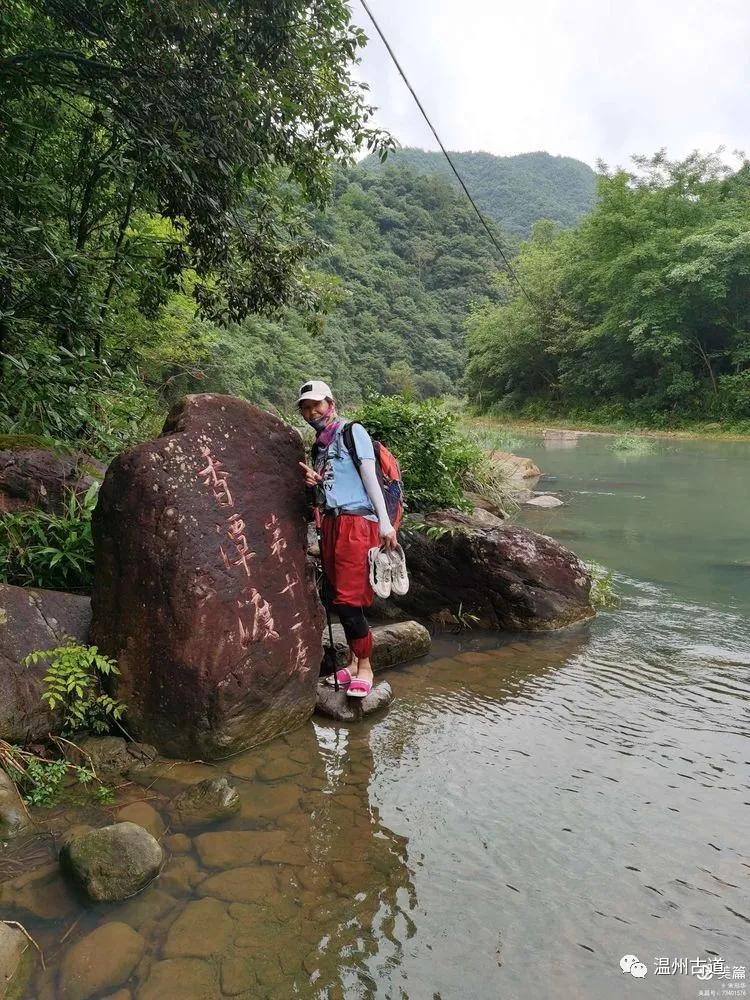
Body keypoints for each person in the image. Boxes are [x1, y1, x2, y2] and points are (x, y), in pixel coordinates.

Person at [297, 379, 396, 698]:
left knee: (350, 601)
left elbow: (370, 478)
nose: (313, 411)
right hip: (332, 524)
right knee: (339, 595)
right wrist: (315, 483)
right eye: (306, 408)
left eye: (317, 404)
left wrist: (385, 524)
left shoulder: (353, 432)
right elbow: (328, 493)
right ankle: (353, 663)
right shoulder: (320, 446)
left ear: (331, 403)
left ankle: (365, 667)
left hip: (358, 523)